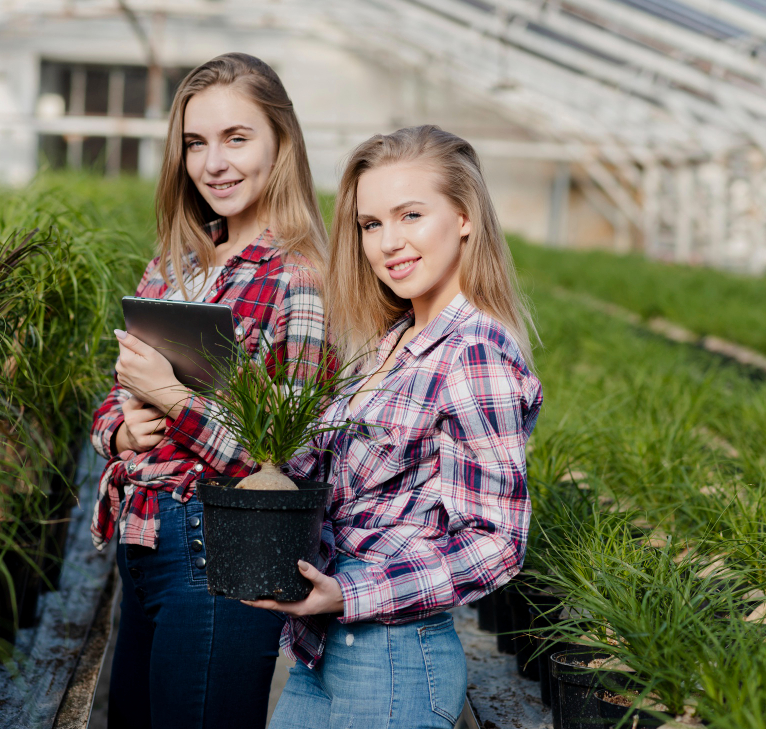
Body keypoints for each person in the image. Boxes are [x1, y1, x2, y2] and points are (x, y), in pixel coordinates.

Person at [243, 125, 543, 729]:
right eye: (371, 224)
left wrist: (350, 594)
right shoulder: (390, 342)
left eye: (410, 215)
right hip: (323, 647)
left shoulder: (474, 351)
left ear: (464, 217)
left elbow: (497, 544)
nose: (388, 243)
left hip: (394, 658)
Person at [89, 53, 328, 729]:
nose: (213, 162)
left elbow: (287, 457)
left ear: (281, 142)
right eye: (196, 143)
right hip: (141, 544)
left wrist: (172, 400)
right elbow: (115, 393)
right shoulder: (176, 262)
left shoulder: (298, 277)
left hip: (219, 545)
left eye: (236, 138)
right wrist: (121, 429)